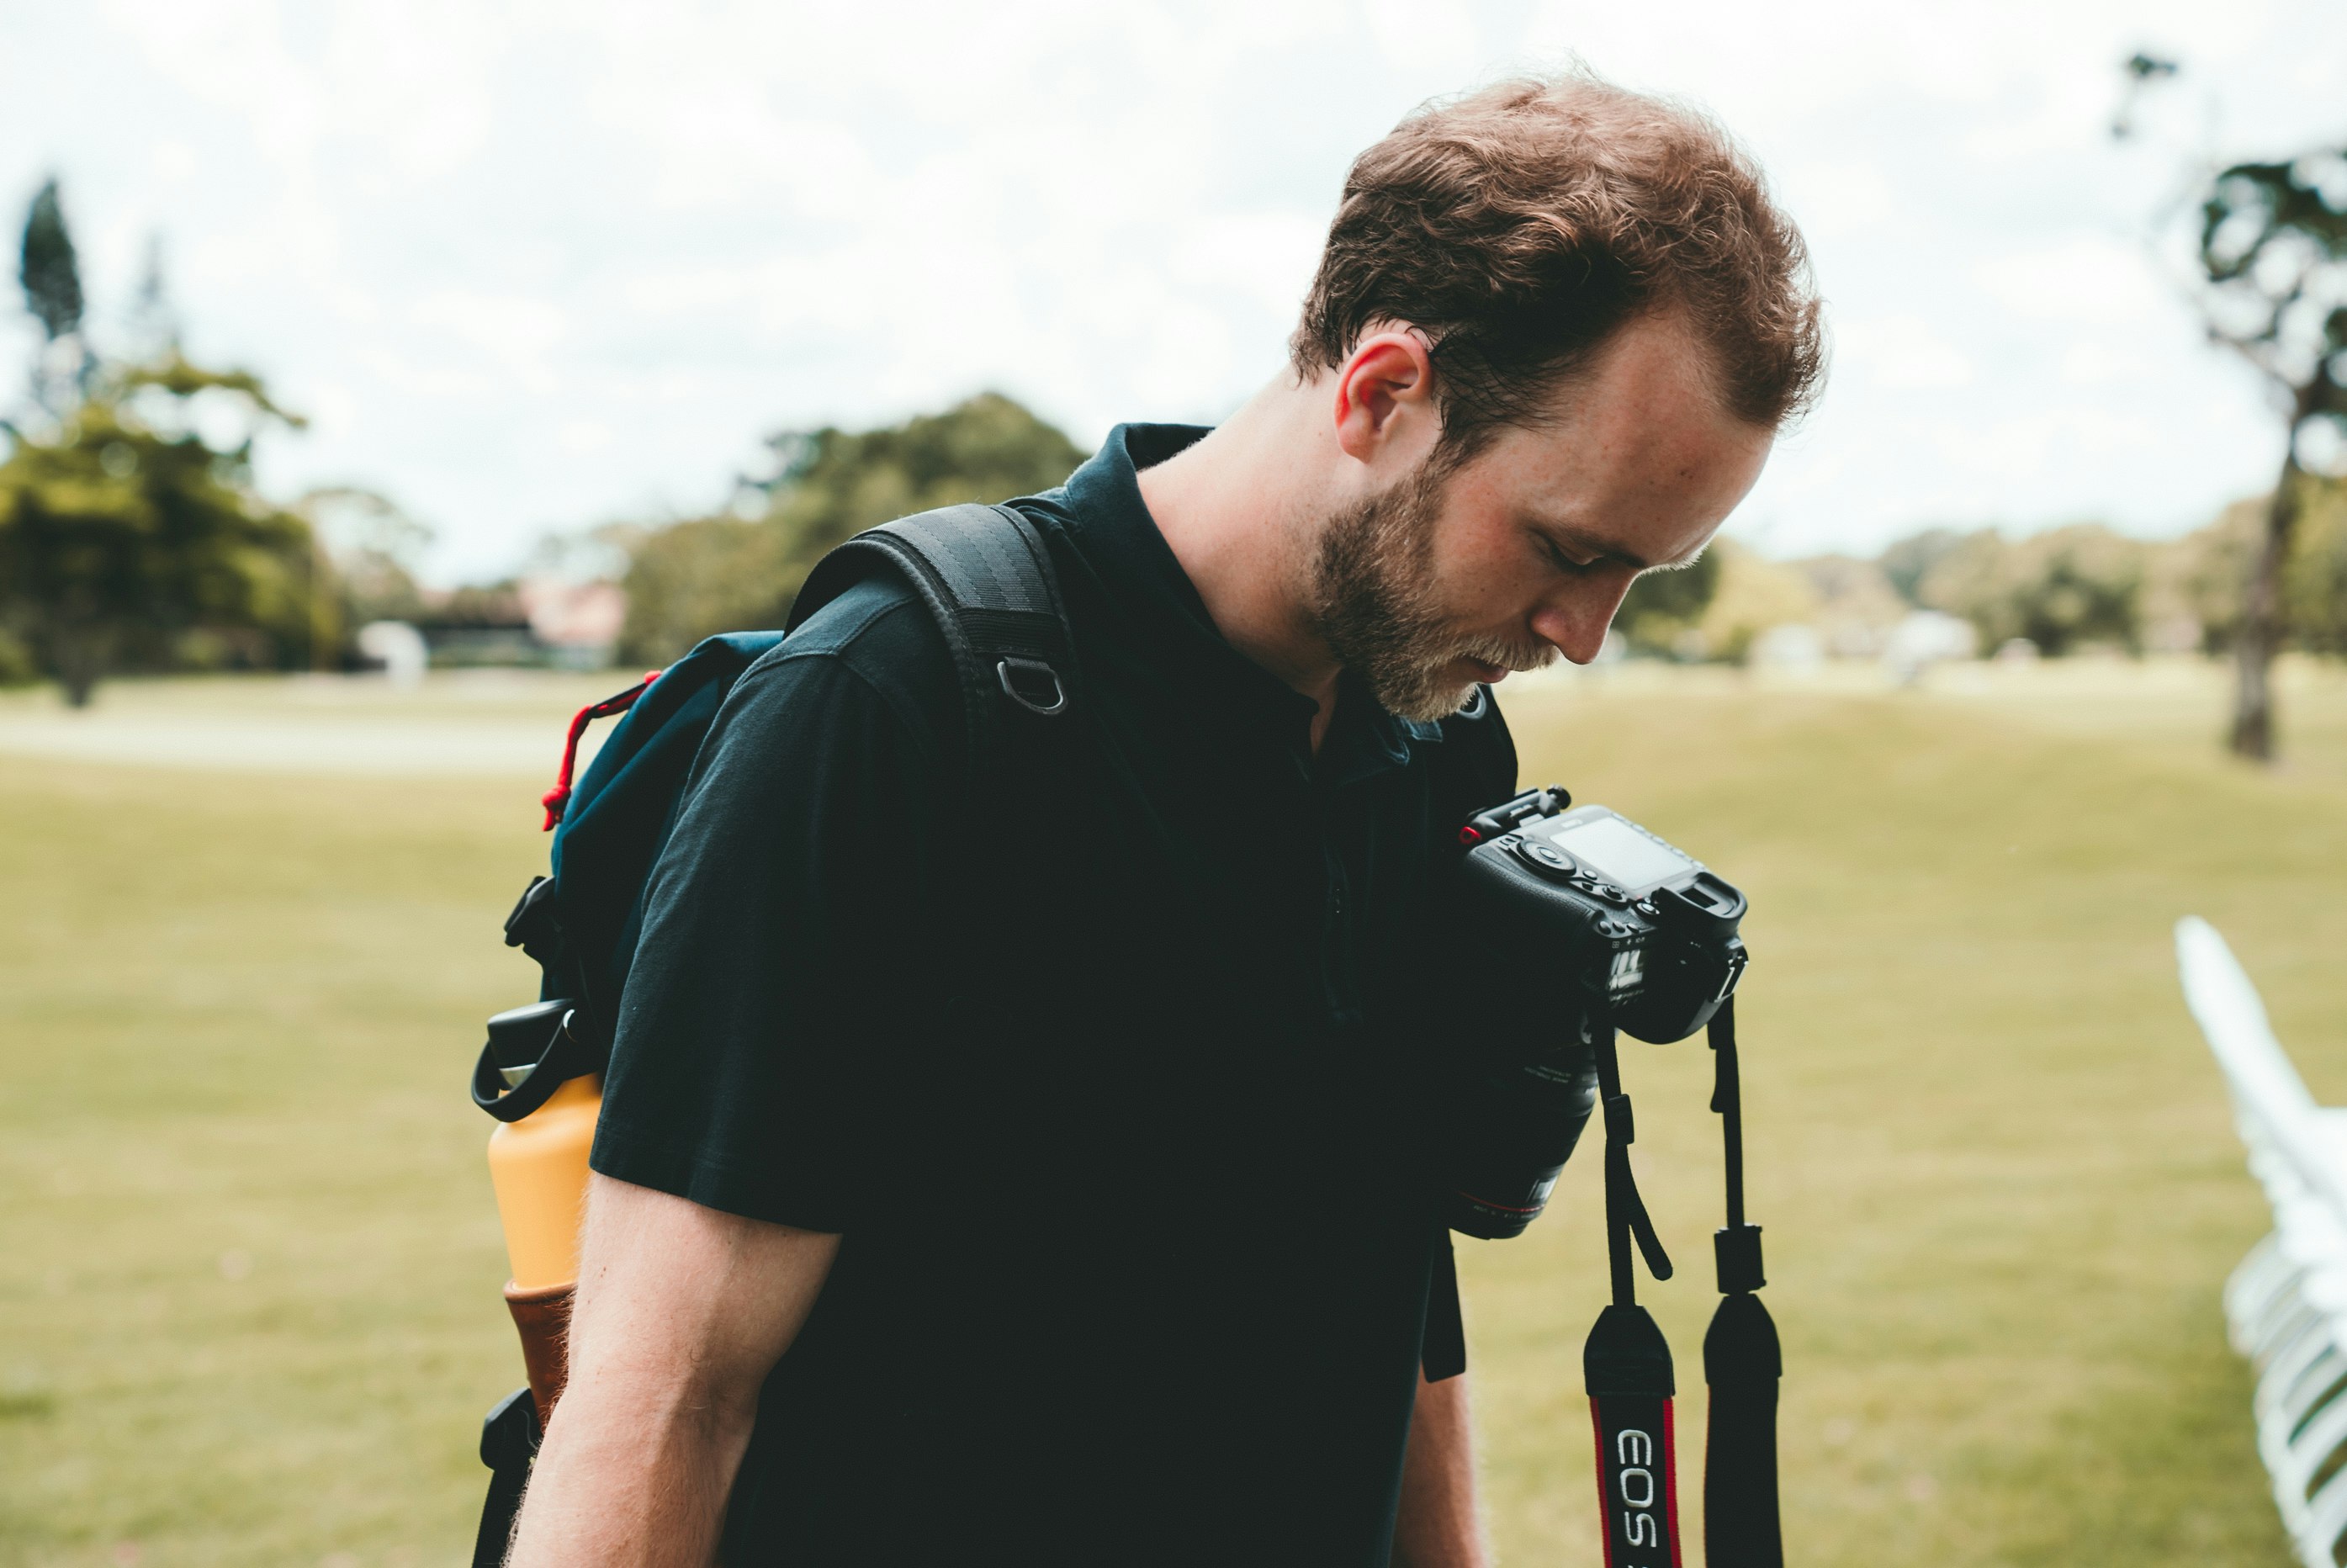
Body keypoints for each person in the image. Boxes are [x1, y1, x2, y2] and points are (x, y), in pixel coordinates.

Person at [506, 71, 1823, 1568]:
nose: (1582, 634)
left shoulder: (1434, 741)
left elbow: (1390, 1299)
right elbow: (667, 1396)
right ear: (1382, 395)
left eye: (1636, 580)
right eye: (1568, 549)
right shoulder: (897, 707)